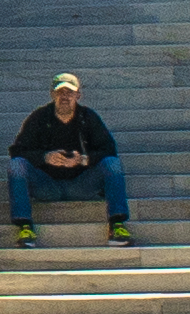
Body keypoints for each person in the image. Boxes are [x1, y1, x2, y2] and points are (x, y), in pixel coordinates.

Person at [8, 73, 129, 245]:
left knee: (112, 164)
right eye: (60, 92)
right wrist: (45, 158)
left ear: (78, 95)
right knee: (16, 165)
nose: (65, 97)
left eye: (69, 92)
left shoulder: (88, 117)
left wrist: (84, 160)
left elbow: (109, 149)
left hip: (82, 184)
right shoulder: (39, 118)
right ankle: (25, 227)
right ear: (52, 94)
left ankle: (117, 224)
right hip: (47, 185)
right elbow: (17, 150)